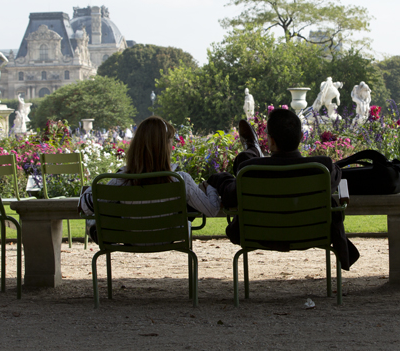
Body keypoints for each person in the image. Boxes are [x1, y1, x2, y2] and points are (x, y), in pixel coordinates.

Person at [207, 109, 359, 270]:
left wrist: (220, 179)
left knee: (244, 162)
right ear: (301, 137)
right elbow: (337, 177)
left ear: (271, 141)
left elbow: (230, 197)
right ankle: (253, 150)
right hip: (312, 234)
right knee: (247, 163)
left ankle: (253, 150)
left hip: (259, 234)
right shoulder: (323, 168)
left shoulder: (249, 170)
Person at [78, 116, 221, 241]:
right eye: (171, 141)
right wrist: (210, 187)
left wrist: (93, 189)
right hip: (170, 237)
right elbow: (212, 210)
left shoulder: (120, 181)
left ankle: (96, 229)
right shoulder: (181, 180)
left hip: (130, 239)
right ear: (165, 146)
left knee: (93, 220)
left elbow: (86, 206)